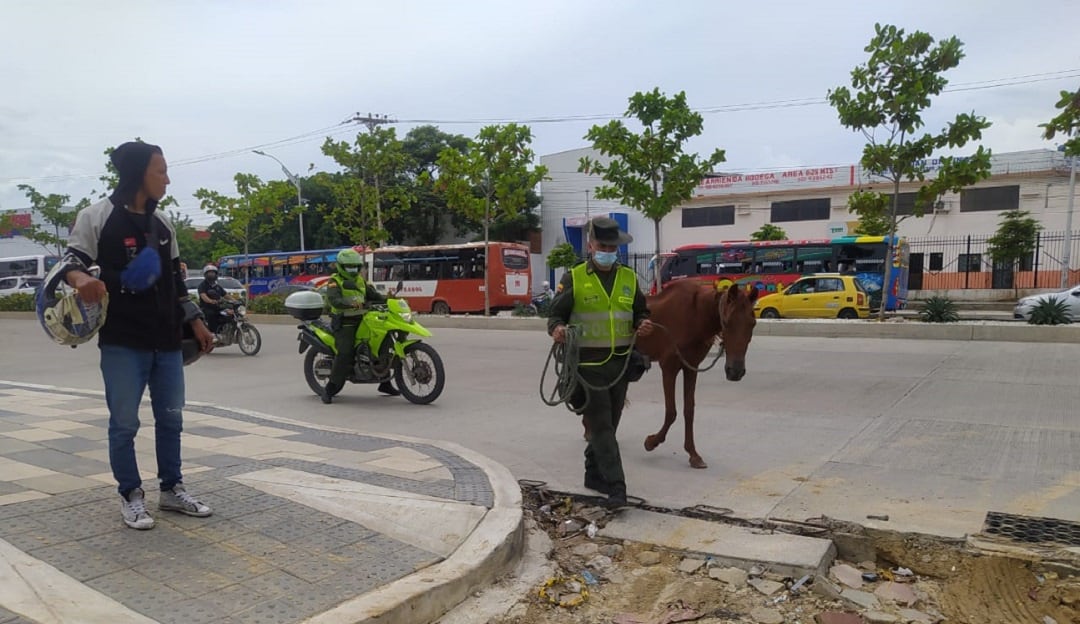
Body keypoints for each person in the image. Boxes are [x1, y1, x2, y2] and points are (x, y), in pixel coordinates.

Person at [60, 141, 215, 530]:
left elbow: (177, 282)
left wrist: (195, 321)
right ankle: (131, 495)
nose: (167, 179)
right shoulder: (97, 217)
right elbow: (71, 262)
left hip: (166, 339)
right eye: (160, 171)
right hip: (122, 340)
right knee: (125, 423)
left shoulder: (162, 224)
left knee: (171, 418)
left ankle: (172, 489)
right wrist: (80, 279)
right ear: (138, 174)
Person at [547, 216, 654, 508]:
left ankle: (593, 474)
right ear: (591, 245)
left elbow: (640, 311)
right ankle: (617, 487)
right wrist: (557, 329)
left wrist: (643, 322)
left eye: (612, 247)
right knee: (603, 426)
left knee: (609, 424)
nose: (607, 251)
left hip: (620, 365)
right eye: (602, 246)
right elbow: (555, 316)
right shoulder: (574, 277)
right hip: (588, 367)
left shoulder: (629, 278)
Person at [322, 248, 399, 403]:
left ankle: (385, 383)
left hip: (363, 320)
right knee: (345, 352)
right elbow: (335, 300)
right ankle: (330, 388)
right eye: (349, 267)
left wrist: (391, 301)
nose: (353, 270)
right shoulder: (334, 282)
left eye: (355, 267)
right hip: (345, 323)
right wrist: (352, 303)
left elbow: (374, 296)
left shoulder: (360, 281)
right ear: (341, 266)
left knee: (382, 344)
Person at [198, 264, 227, 334]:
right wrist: (211, 301)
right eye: (209, 273)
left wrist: (235, 301)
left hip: (218, 306)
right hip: (207, 307)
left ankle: (226, 330)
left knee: (229, 313)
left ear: (216, 274)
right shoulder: (202, 285)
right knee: (211, 314)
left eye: (213, 273)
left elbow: (226, 295)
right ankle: (213, 332)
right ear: (205, 274)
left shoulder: (217, 286)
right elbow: (203, 296)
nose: (211, 274)